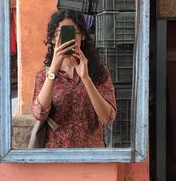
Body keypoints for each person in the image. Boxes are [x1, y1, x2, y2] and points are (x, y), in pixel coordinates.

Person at [31, 9, 117, 148]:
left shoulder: (99, 72)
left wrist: (86, 78)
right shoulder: (43, 75)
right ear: (53, 39)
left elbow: (108, 118)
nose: (67, 39)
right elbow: (39, 114)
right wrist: (53, 70)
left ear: (82, 36)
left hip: (91, 154)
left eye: (72, 33)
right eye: (61, 33)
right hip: (56, 155)